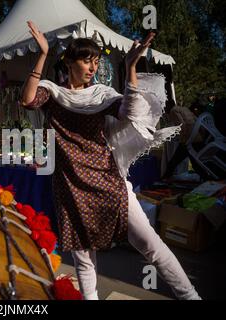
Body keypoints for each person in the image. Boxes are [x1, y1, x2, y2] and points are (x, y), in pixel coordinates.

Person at [21, 21, 201, 300]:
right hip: (70, 186)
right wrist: (42, 54)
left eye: (96, 62)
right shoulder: (53, 93)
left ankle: (190, 296)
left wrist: (130, 68)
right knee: (84, 260)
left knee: (151, 244)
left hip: (109, 181)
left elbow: (130, 112)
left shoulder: (101, 95)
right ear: (69, 62)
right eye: (86, 61)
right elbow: (28, 99)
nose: (93, 68)